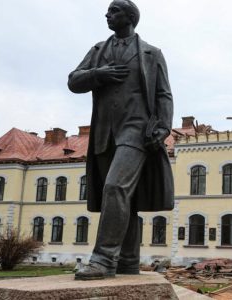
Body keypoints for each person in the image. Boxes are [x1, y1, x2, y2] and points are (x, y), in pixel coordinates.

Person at [68, 0, 174, 280]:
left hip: (136, 131)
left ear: (130, 17)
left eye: (114, 10)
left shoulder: (151, 53)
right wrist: (97, 74)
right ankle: (128, 261)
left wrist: (163, 128)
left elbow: (163, 94)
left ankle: (103, 259)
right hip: (104, 133)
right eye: (108, 10)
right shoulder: (98, 51)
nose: (107, 14)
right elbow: (73, 81)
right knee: (126, 197)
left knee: (115, 188)